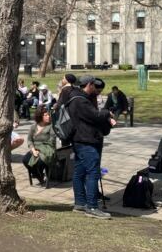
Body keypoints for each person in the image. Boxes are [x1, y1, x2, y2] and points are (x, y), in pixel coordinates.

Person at [66, 75, 116, 219]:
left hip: (79, 140)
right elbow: (95, 116)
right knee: (93, 173)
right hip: (86, 141)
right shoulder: (81, 101)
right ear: (89, 84)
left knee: (79, 172)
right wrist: (107, 113)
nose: (96, 88)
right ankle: (92, 207)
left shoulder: (75, 97)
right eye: (94, 85)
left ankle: (80, 203)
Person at [22, 106, 57, 185]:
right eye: (46, 115)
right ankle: (38, 175)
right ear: (40, 116)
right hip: (35, 149)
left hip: (47, 150)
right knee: (25, 160)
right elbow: (29, 140)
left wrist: (39, 148)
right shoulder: (33, 127)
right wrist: (33, 150)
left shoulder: (51, 127)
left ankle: (38, 174)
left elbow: (52, 141)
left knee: (39, 162)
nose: (48, 116)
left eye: (48, 115)